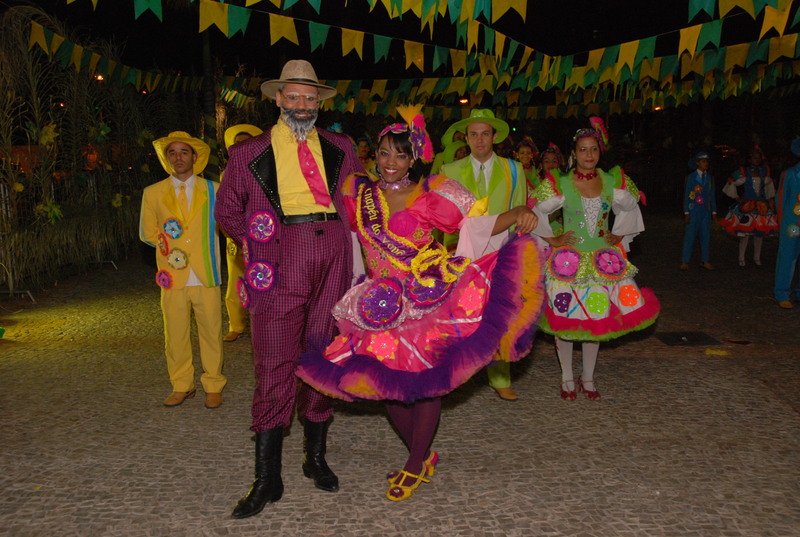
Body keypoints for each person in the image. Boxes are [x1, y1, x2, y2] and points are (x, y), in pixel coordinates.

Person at [296, 106, 545, 502]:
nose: (390, 162)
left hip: (425, 299)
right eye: (384, 153)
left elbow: (475, 225)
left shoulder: (433, 193)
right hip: (377, 304)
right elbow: (341, 236)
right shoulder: (358, 192)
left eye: (400, 154)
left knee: (426, 385)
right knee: (387, 385)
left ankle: (414, 462)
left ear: (413, 159)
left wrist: (516, 212)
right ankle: (423, 454)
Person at [214, 60, 364, 519]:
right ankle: (267, 478)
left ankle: (314, 458)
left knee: (323, 353)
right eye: (293, 97)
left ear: (320, 103)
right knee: (274, 358)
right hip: (281, 255)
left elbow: (363, 202)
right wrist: (259, 244)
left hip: (333, 252)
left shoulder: (341, 147)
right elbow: (226, 211)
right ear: (278, 99)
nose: (302, 105)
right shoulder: (248, 153)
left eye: (309, 98)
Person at [529, 118, 660, 401]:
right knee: (564, 320)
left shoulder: (612, 181)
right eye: (582, 149)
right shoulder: (560, 182)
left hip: (603, 261)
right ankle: (566, 377)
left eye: (593, 149)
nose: (588, 155)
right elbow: (535, 210)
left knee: (596, 319)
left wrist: (618, 233)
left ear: (600, 152)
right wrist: (552, 239)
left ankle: (587, 377)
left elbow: (630, 205)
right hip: (567, 263)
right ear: (574, 153)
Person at [440, 109, 528, 401]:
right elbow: (443, 215)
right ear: (466, 138)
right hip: (463, 251)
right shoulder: (449, 170)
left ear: (495, 137)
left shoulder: (514, 169)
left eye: (485, 134)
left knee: (500, 314)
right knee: (460, 313)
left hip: (500, 252)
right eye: (474, 134)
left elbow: (520, 211)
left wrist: (517, 253)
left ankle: (500, 376)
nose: (479, 140)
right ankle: (458, 373)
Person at [139, 131, 226, 409]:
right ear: (166, 159)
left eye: (184, 152)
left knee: (211, 332)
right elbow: (147, 232)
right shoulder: (152, 193)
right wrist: (169, 245)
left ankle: (213, 384)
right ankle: (181, 385)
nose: (178, 157)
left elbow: (228, 224)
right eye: (172, 153)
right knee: (175, 333)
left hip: (206, 272)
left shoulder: (214, 190)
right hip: (172, 275)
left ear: (194, 157)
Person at [221, 124, 263, 342]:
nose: (242, 147)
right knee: (235, 280)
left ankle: (262, 324)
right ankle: (236, 325)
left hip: (263, 234)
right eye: (238, 144)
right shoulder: (226, 174)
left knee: (263, 279)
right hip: (235, 236)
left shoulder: (266, 172)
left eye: (247, 143)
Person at [720, 146, 778, 267]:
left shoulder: (764, 171)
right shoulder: (744, 171)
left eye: (758, 157)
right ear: (750, 159)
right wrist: (737, 198)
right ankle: (741, 258)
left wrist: (770, 200)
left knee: (760, 234)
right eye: (754, 157)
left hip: (761, 206)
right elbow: (731, 182)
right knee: (745, 234)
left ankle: (757, 258)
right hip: (747, 206)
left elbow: (769, 187)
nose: (756, 159)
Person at [680, 151, 718, 270]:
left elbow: (712, 196)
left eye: (707, 161)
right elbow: (687, 194)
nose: (706, 163)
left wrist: (714, 213)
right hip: (693, 210)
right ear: (697, 163)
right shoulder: (691, 177)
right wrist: (686, 212)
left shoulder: (710, 178)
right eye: (703, 161)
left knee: (705, 236)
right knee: (690, 236)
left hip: (705, 211)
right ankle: (685, 260)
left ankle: (705, 260)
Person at [774, 137, 800, 309]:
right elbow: (781, 199)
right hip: (792, 224)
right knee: (787, 257)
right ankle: (782, 293)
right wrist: (782, 222)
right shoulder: (789, 174)